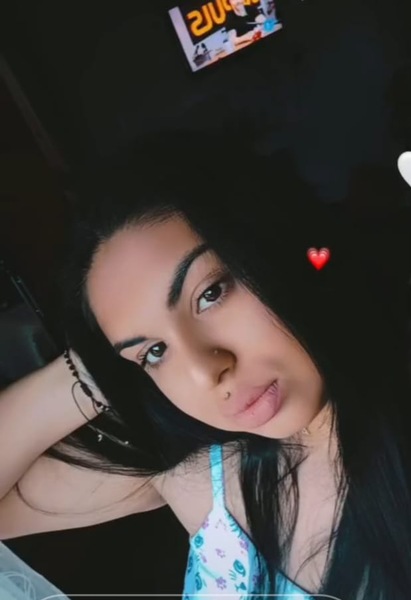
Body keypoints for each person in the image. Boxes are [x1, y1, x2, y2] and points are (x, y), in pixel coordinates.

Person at [0, 137, 410, 600]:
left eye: (210, 295)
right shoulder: (196, 473)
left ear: (271, 244)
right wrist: (90, 370)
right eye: (154, 352)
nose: (204, 372)